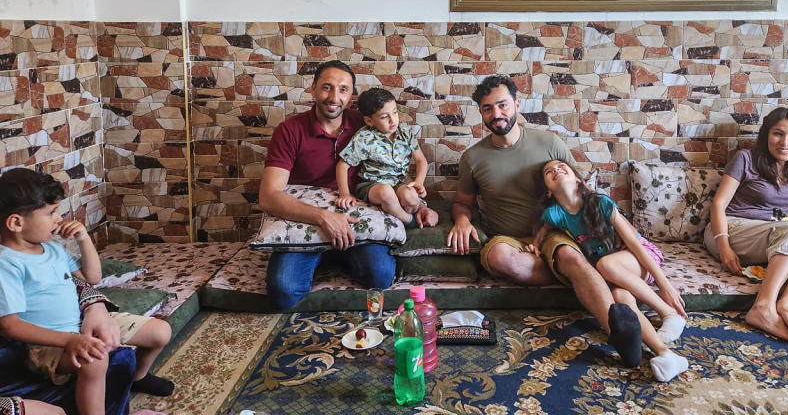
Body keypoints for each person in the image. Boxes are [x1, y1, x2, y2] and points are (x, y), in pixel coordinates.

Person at [445, 75, 657, 366]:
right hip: (507, 237)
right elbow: (462, 203)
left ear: (517, 104)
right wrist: (461, 220)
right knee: (500, 258)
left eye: (503, 105)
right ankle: (584, 276)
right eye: (487, 108)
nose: (497, 114)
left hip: (554, 230)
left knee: (570, 255)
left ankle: (619, 332)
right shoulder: (473, 157)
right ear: (481, 113)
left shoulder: (549, 142)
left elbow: (579, 191)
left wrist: (612, 230)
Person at [0, 169, 173, 415]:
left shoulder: (51, 247)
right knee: (95, 359)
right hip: (44, 344)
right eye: (50, 213)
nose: (58, 219)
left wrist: (83, 239)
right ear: (16, 223)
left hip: (79, 323)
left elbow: (92, 278)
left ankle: (138, 377)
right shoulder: (6, 263)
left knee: (160, 332)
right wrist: (70, 340)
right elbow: (10, 326)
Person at [260, 61, 431, 309]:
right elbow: (268, 197)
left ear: (351, 95)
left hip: (358, 215)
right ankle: (319, 253)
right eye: (326, 88)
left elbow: (392, 165)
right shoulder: (290, 130)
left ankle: (336, 254)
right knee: (283, 291)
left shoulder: (368, 123)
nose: (334, 97)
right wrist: (324, 218)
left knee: (380, 276)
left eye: (343, 89)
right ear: (313, 89)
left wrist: (416, 202)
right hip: (307, 218)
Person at [530, 159, 688, 380]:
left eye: (561, 167)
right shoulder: (554, 214)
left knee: (606, 264)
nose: (556, 170)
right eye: (549, 171)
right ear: (548, 191)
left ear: (577, 178)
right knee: (620, 303)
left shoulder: (600, 202)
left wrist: (665, 285)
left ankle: (668, 313)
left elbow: (634, 243)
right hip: (615, 274)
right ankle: (665, 353)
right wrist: (534, 247)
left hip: (639, 258)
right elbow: (539, 239)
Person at [705, 107, 788, 343]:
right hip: (732, 229)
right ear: (766, 134)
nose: (784, 142)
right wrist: (723, 246)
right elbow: (718, 205)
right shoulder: (745, 158)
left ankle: (786, 304)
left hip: (778, 235)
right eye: (778, 134)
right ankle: (763, 307)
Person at [334, 88, 439, 228]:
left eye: (395, 112)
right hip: (371, 185)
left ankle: (406, 210)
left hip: (398, 182)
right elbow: (342, 165)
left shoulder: (405, 132)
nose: (392, 120)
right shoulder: (365, 138)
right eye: (384, 117)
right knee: (386, 192)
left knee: (411, 196)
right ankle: (408, 221)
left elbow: (421, 160)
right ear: (369, 121)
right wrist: (345, 194)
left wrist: (419, 182)